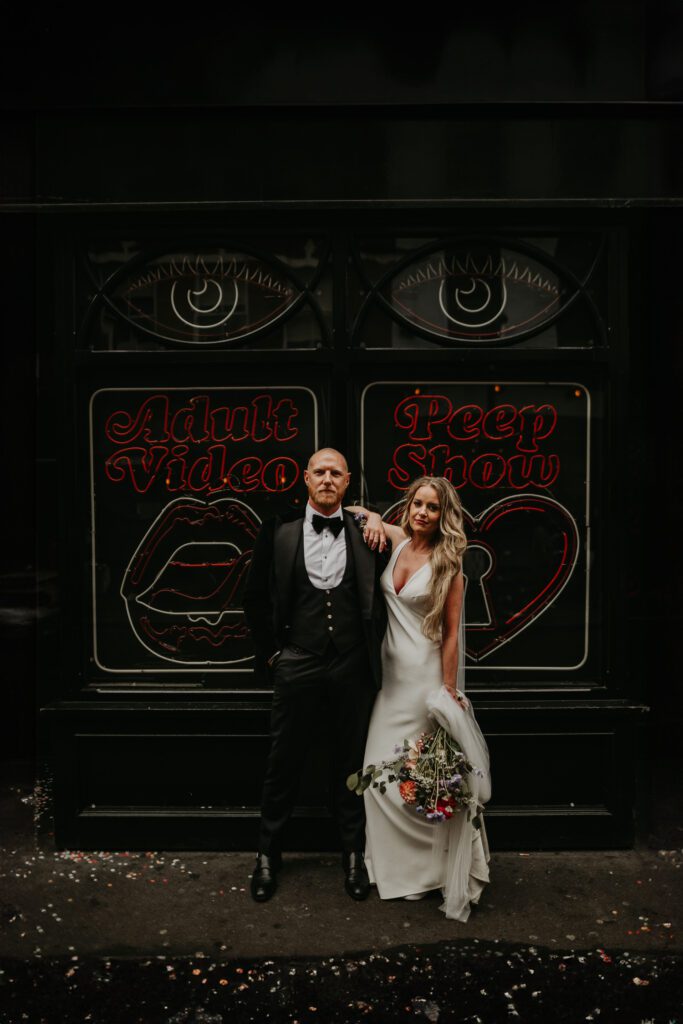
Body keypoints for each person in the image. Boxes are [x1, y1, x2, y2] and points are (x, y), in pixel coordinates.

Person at [243, 448, 388, 902]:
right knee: (283, 760)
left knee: (350, 761)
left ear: (347, 484)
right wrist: (272, 657)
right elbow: (253, 598)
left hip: (351, 665)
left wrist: (377, 517)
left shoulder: (368, 532)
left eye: (336, 473)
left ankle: (352, 856)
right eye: (320, 472)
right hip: (297, 660)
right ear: (306, 479)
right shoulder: (280, 530)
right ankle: (268, 855)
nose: (327, 479)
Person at [355, 476, 491, 922]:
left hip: (423, 681)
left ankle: (426, 876)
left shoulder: (449, 562)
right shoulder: (396, 540)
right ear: (408, 506)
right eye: (418, 504)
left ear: (443, 514)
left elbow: (451, 635)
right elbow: (355, 515)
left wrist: (447, 693)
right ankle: (396, 869)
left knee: (421, 777)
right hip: (389, 681)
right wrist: (372, 515)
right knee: (378, 778)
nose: (423, 513)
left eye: (433, 508)